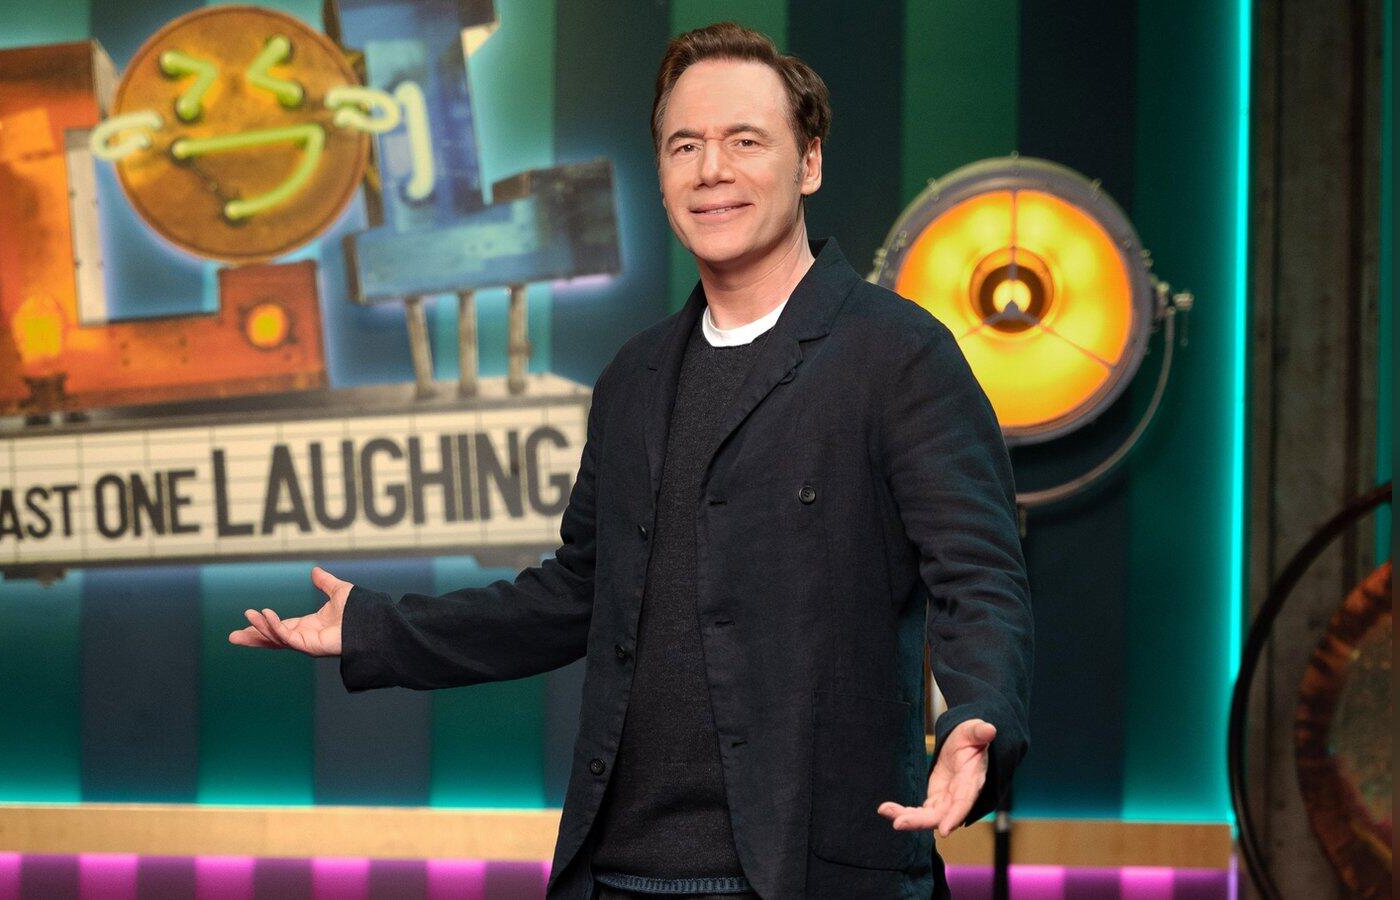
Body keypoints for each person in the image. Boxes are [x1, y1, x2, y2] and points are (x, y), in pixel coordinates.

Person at [230, 21, 1033, 900]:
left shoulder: (898, 354)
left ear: (808, 163)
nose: (711, 170)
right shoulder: (633, 378)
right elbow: (575, 593)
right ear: (660, 175)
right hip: (619, 873)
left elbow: (978, 576)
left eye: (745, 141)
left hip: (815, 875)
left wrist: (979, 713)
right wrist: (377, 629)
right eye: (684, 145)